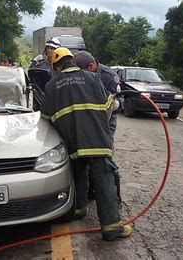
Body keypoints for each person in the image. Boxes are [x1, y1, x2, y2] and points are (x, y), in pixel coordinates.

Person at [40, 47, 132, 241]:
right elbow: (108, 106)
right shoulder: (92, 78)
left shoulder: (51, 86)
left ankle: (79, 209)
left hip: (72, 142)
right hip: (96, 140)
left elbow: (46, 116)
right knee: (104, 180)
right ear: (72, 60)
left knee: (78, 176)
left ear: (56, 68)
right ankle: (111, 228)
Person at [73, 51, 123, 205]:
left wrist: (112, 105)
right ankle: (89, 191)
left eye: (84, 71)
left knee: (104, 158)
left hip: (105, 121)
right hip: (86, 120)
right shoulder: (78, 74)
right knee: (85, 157)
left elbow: (121, 101)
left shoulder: (108, 76)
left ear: (91, 65)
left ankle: (112, 198)